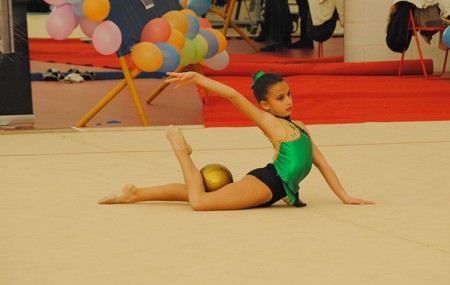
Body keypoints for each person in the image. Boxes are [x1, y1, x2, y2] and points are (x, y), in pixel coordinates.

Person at [98, 71, 375, 210]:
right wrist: (197, 77)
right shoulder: (269, 122)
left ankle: (136, 194)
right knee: (200, 203)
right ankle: (181, 149)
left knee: (200, 193)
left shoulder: (300, 127)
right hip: (269, 182)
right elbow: (233, 96)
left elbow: (323, 164)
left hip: (270, 183)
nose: (288, 101)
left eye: (289, 94)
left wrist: (345, 197)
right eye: (280, 98)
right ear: (265, 106)